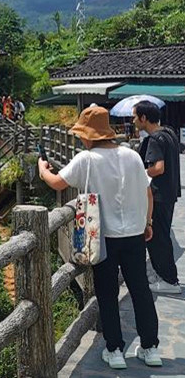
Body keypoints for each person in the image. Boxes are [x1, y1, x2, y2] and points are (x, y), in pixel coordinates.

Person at [37, 105, 161, 369]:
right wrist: (147, 222)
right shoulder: (132, 156)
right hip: (134, 235)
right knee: (140, 290)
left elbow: (58, 182)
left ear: (89, 135)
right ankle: (151, 348)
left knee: (107, 293)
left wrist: (42, 170)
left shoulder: (87, 158)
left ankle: (115, 350)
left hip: (104, 237)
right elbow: (148, 193)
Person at [133, 100, 182, 294]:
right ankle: (164, 276)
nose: (134, 120)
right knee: (162, 236)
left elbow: (158, 168)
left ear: (144, 118)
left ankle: (169, 281)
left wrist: (142, 172)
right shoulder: (169, 133)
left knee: (157, 238)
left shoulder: (154, 139)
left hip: (158, 196)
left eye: (135, 116)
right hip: (169, 194)